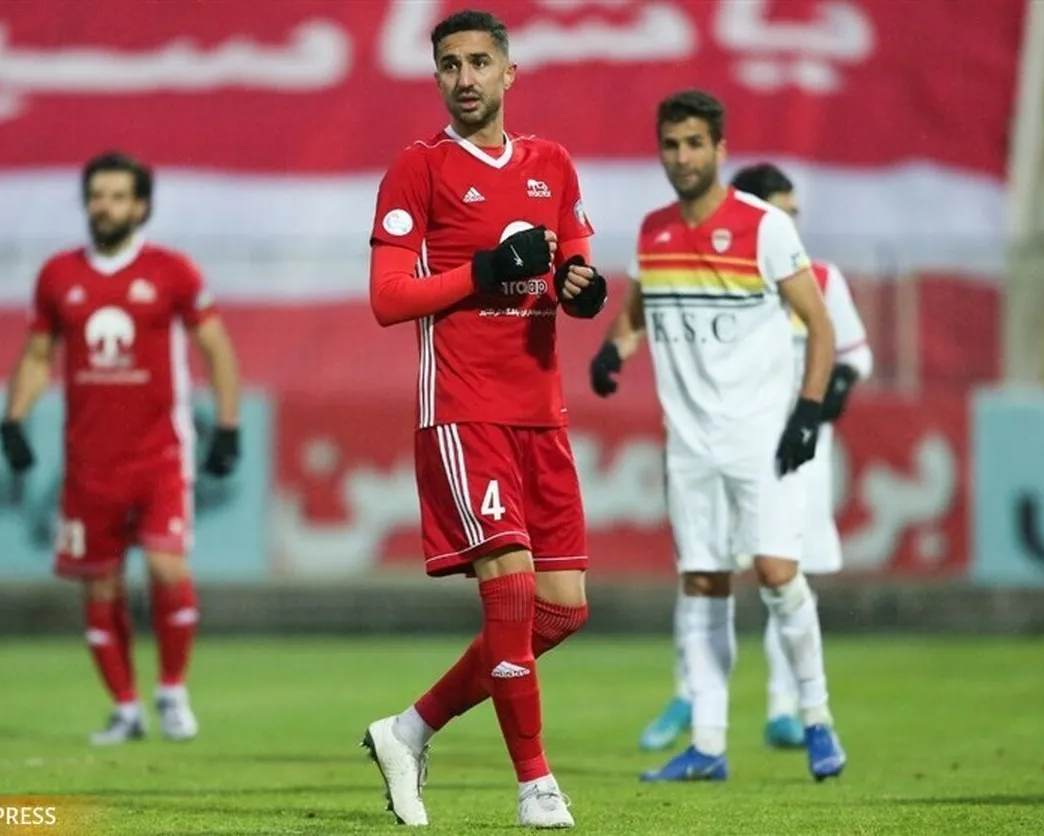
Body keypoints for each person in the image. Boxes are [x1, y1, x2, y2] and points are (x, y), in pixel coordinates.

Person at [361, 9, 606, 829]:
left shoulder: (552, 164)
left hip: (542, 413)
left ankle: (408, 730)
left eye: (477, 62)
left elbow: (574, 263)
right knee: (512, 592)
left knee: (562, 609)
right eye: (449, 65)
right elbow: (388, 298)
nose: (464, 78)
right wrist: (487, 268)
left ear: (509, 73)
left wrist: (583, 288)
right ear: (436, 76)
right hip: (464, 412)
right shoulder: (418, 169)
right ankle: (536, 785)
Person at [589, 90, 847, 782]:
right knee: (703, 581)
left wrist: (807, 410)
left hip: (760, 437)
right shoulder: (653, 231)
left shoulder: (764, 228)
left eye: (694, 144)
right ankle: (708, 744)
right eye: (671, 144)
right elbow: (636, 312)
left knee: (777, 574)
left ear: (719, 149)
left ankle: (817, 717)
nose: (682, 157)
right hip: (689, 443)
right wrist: (613, 350)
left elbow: (819, 324)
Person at [0, 151, 242, 746]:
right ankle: (126, 708)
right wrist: (14, 418)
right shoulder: (58, 276)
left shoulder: (172, 272)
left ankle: (172, 691)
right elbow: (38, 355)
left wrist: (228, 426)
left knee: (165, 565)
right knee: (100, 585)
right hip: (89, 463)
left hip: (160, 453)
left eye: (116, 197)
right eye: (96, 196)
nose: (103, 207)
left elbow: (215, 347)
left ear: (140, 206)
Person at [631, 163, 872, 753]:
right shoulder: (715, 271)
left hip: (798, 452)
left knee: (784, 570)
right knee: (703, 570)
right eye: (782, 214)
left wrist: (832, 391)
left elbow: (852, 351)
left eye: (794, 214)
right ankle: (691, 698)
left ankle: (786, 708)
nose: (791, 225)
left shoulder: (820, 278)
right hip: (727, 443)